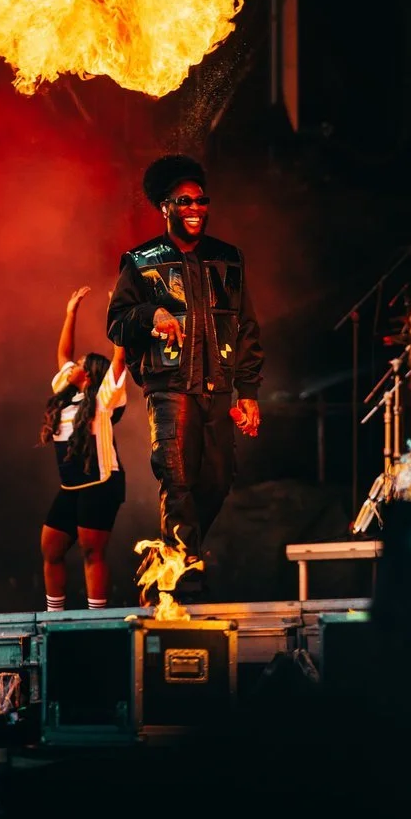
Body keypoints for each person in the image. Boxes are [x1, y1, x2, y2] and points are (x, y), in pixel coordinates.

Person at [107, 154, 263, 598]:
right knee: (176, 479)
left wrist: (248, 391)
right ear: (165, 207)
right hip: (170, 388)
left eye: (201, 200)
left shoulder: (228, 259)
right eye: (185, 201)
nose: (196, 208)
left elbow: (247, 327)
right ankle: (183, 576)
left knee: (217, 480)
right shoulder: (141, 261)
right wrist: (151, 314)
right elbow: (116, 324)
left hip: (219, 388)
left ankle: (169, 557)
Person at [39, 286, 127, 611]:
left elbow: (119, 358)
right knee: (51, 547)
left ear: (89, 376)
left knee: (92, 551)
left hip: (101, 483)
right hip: (72, 487)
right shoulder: (66, 393)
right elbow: (63, 354)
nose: (72, 365)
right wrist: (70, 313)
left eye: (80, 364)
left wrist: (118, 311)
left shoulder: (104, 399)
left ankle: (97, 617)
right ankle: (53, 617)